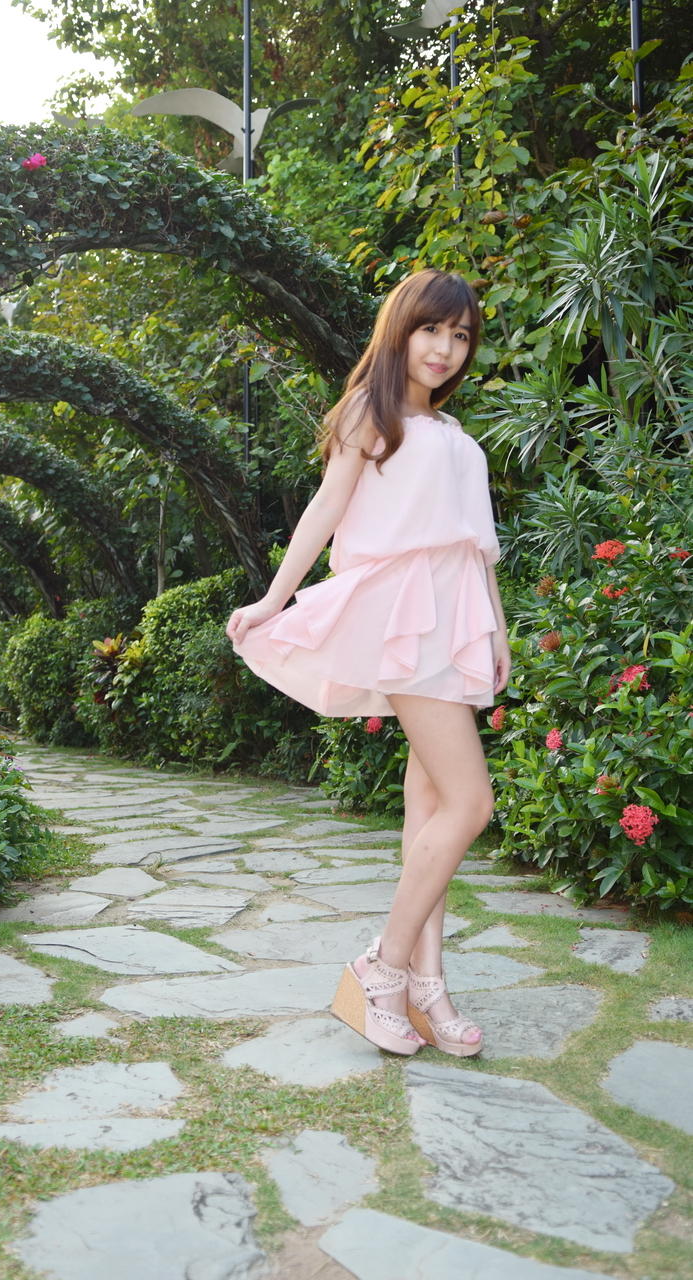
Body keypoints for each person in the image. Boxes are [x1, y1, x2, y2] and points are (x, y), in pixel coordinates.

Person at [225, 268, 510, 1057]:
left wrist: (495, 631)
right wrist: (274, 598)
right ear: (400, 330)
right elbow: (326, 507)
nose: (444, 349)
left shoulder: (452, 434)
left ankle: (427, 985)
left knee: (432, 809)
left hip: (455, 617)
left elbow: (476, 546)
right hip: (404, 619)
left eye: (459, 336)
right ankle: (382, 968)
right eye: (431, 330)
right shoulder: (369, 412)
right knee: (470, 803)